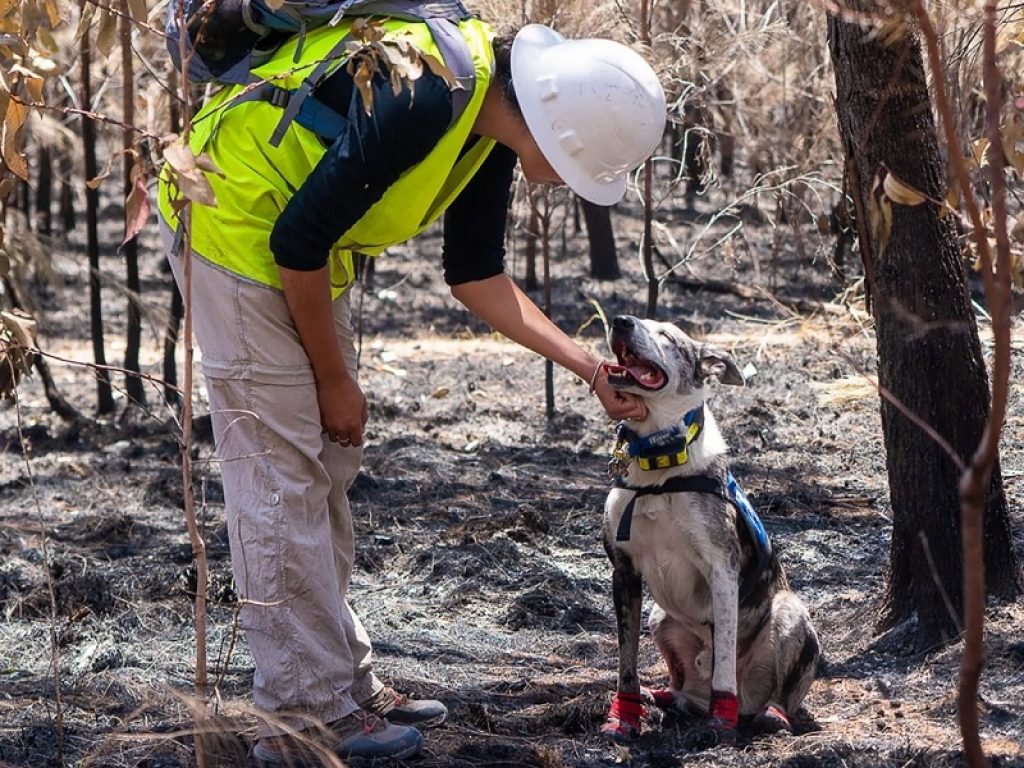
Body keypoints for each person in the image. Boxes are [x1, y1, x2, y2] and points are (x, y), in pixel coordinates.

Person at [157, 10, 666, 765]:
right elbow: (297, 241)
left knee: (322, 469)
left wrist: (591, 368)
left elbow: (477, 277)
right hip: (231, 226)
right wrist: (334, 381)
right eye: (582, 168)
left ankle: (343, 686)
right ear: (561, 134)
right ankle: (303, 717)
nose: (571, 183)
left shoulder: (491, 117)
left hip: (289, 245)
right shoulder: (429, 95)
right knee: (277, 478)